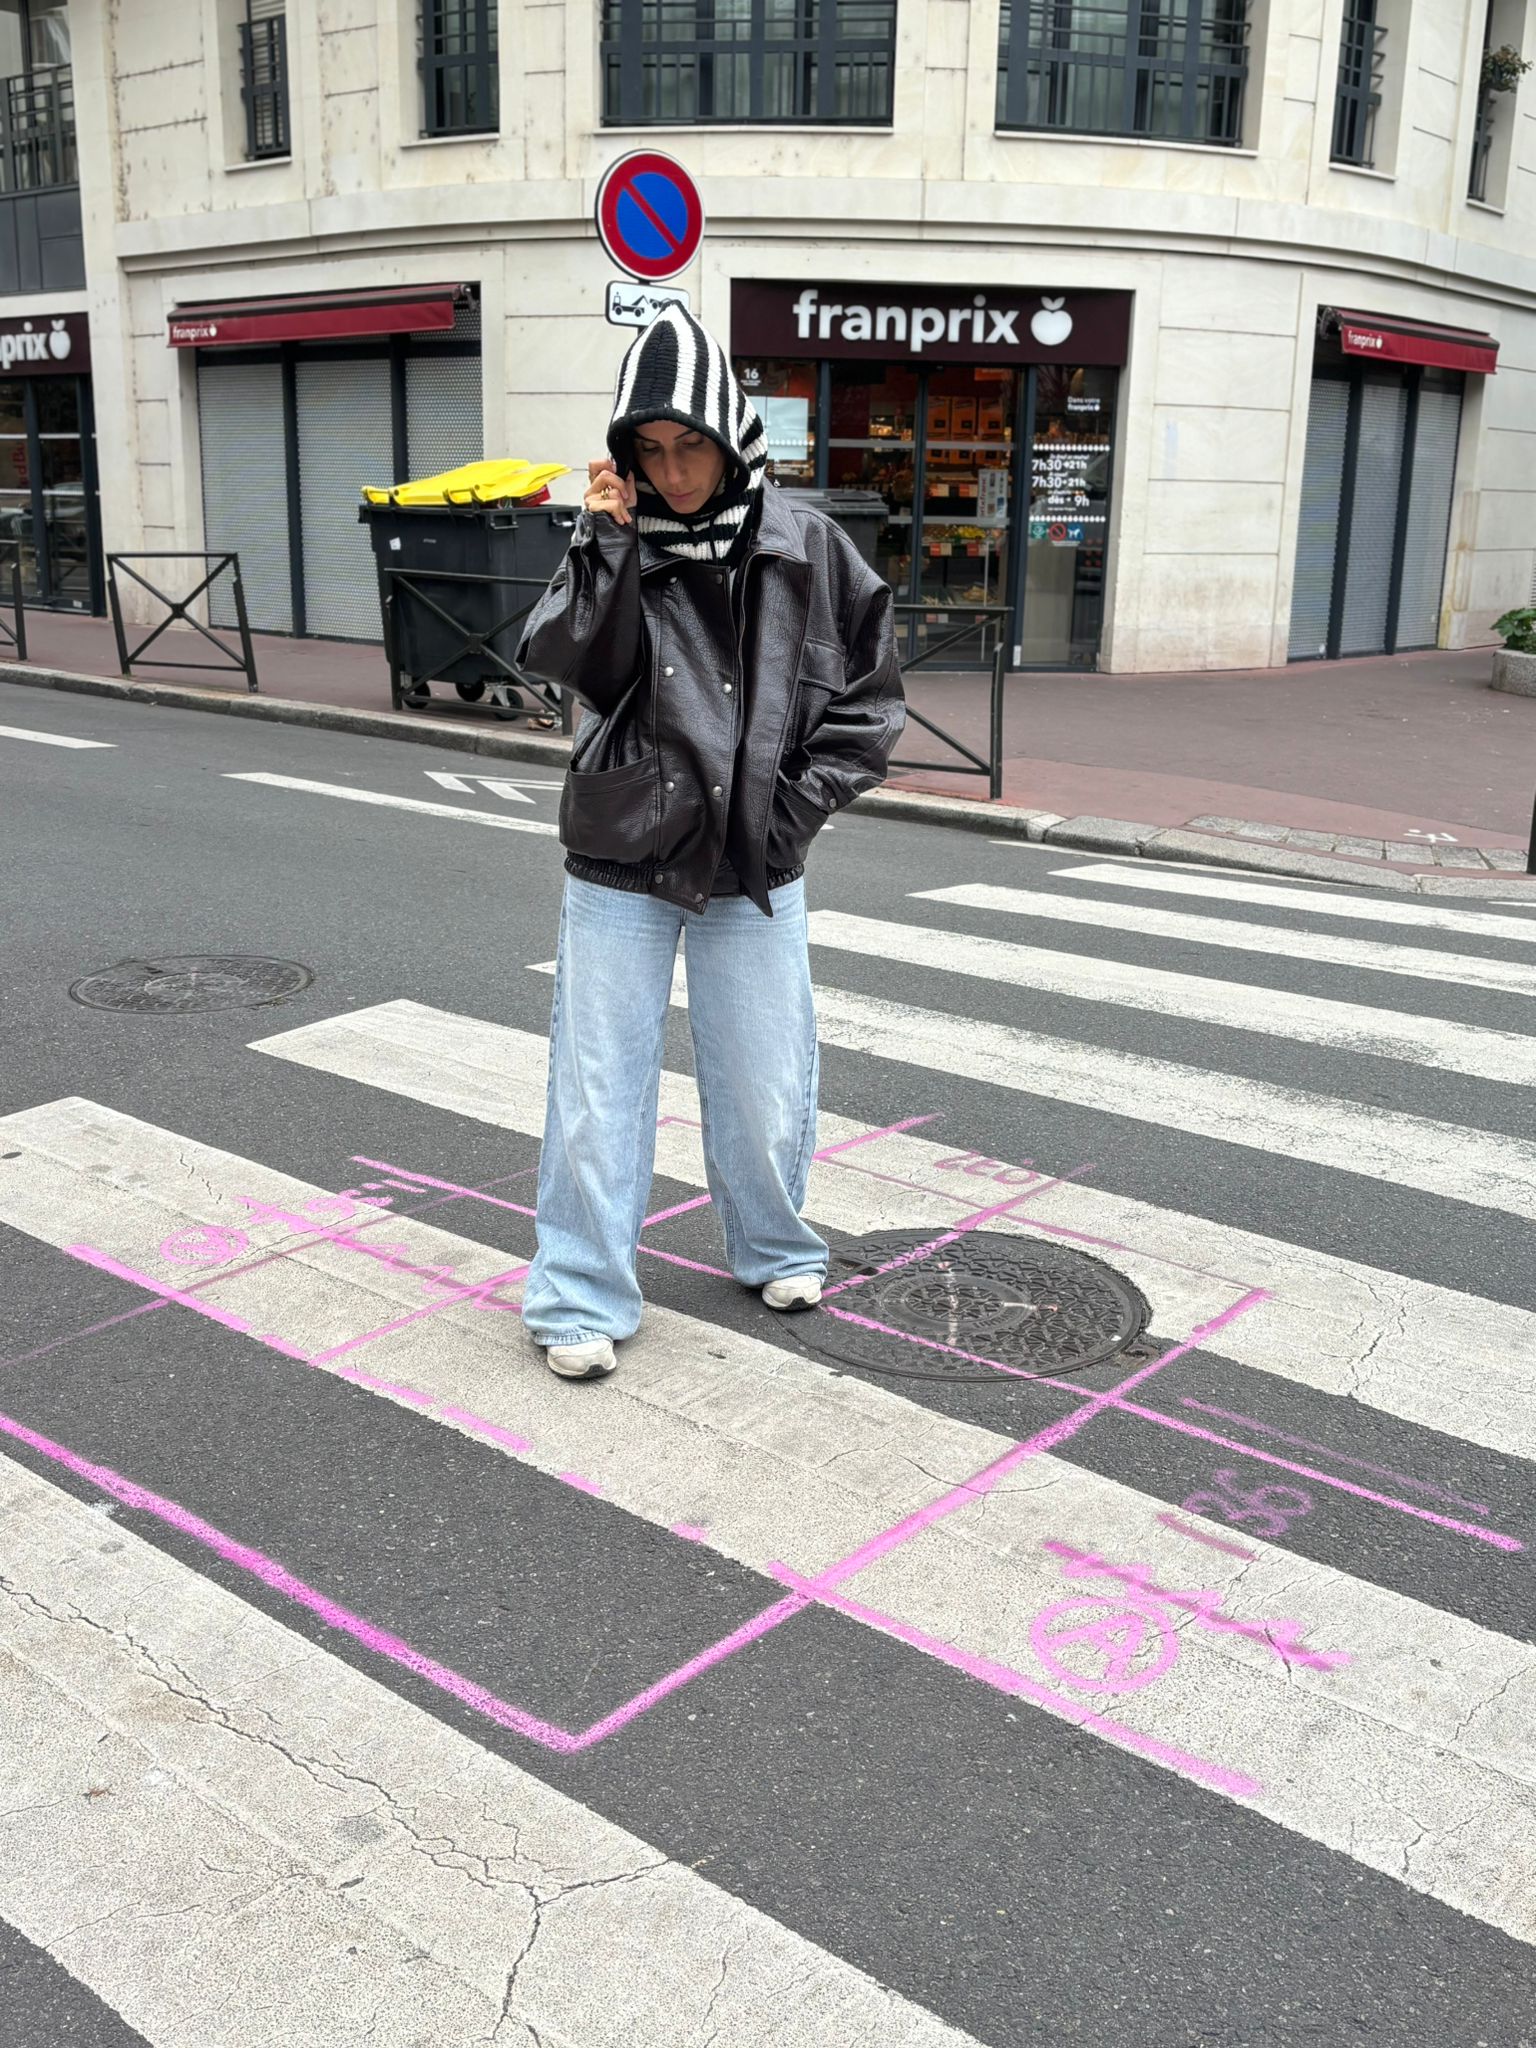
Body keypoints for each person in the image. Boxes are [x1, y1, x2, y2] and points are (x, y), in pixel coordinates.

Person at [516, 306, 905, 1381]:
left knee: (764, 1074)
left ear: (732, 436)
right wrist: (602, 543)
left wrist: (790, 812)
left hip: (752, 854)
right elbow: (567, 660)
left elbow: (870, 703)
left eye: (692, 445)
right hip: (622, 848)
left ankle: (775, 1244)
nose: (676, 471)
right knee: (597, 1082)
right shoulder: (618, 537)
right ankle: (579, 1293)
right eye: (652, 448)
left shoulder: (805, 544)